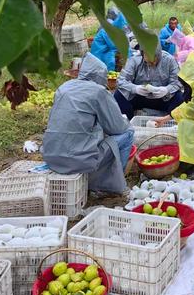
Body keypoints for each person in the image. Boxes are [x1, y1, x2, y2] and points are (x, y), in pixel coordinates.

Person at [43, 53, 134, 194]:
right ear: (100, 76)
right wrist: (124, 120)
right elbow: (117, 127)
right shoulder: (98, 91)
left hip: (51, 156)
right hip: (77, 160)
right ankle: (111, 184)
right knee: (128, 133)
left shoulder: (64, 88)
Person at [114, 43, 184, 120]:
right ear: (143, 54)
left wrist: (167, 90)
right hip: (139, 96)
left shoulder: (169, 60)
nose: (152, 64)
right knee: (119, 94)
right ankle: (127, 122)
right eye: (148, 62)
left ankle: (169, 121)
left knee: (180, 97)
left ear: (159, 55)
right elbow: (121, 80)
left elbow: (178, 81)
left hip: (163, 98)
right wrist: (135, 88)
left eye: (154, 61)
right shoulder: (134, 60)